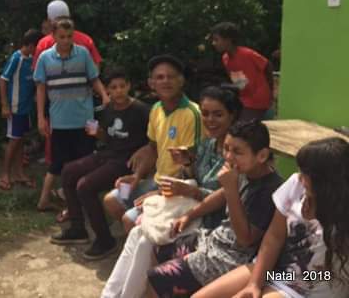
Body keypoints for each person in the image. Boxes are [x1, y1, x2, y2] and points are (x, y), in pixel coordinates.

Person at [100, 84, 240, 298]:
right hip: (185, 207)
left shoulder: (236, 153)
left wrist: (187, 190)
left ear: (232, 115)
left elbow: (224, 196)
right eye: (206, 114)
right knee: (138, 231)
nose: (210, 120)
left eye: (218, 114)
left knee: (146, 239)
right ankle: (110, 294)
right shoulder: (207, 143)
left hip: (209, 222)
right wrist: (186, 163)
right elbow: (190, 176)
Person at [197, 137, 349, 298]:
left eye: (305, 174)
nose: (299, 177)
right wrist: (255, 283)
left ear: (325, 181)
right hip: (274, 271)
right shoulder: (296, 185)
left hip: (309, 285)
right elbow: (274, 237)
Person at [146, 121, 284, 298]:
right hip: (214, 239)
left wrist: (231, 189)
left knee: (157, 278)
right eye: (226, 149)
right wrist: (189, 215)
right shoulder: (245, 171)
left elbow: (245, 239)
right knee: (159, 250)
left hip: (232, 258)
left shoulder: (270, 191)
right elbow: (221, 196)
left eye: (237, 152)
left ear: (262, 155)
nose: (229, 156)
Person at [50, 66, 149, 259]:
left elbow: (153, 140)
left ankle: (105, 240)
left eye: (122, 86)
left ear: (129, 86)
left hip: (127, 161)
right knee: (68, 171)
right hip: (108, 154)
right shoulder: (106, 109)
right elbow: (107, 138)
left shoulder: (141, 110)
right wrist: (97, 133)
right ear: (108, 90)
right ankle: (77, 228)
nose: (119, 91)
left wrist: (145, 152)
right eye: (114, 87)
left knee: (85, 186)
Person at [104, 54, 203, 232]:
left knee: (129, 219)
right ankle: (143, 233)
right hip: (155, 180)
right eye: (160, 77)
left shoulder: (192, 113)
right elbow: (153, 148)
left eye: (171, 76)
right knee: (112, 200)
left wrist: (159, 193)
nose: (165, 81)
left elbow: (192, 166)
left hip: (176, 188)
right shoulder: (156, 109)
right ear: (151, 83)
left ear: (181, 81)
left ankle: (144, 232)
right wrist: (137, 176)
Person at [34, 18, 111, 214]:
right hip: (59, 121)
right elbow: (41, 89)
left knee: (86, 161)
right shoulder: (45, 58)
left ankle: (80, 202)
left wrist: (104, 95)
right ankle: (47, 200)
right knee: (58, 164)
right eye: (62, 37)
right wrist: (40, 117)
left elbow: (94, 78)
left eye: (69, 36)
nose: (66, 41)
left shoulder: (83, 53)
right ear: (53, 36)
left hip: (86, 119)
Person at [0, 28, 42, 191]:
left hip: (26, 107)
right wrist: (5, 105)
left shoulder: (31, 60)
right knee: (13, 140)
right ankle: (5, 174)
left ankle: (19, 173)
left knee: (21, 140)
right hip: (15, 108)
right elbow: (3, 80)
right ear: (30, 45)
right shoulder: (16, 58)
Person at [211, 22, 273, 123]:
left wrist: (269, 89)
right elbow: (241, 83)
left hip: (257, 102)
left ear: (228, 40)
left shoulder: (247, 54)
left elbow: (267, 65)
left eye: (216, 40)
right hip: (244, 101)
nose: (213, 43)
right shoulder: (226, 59)